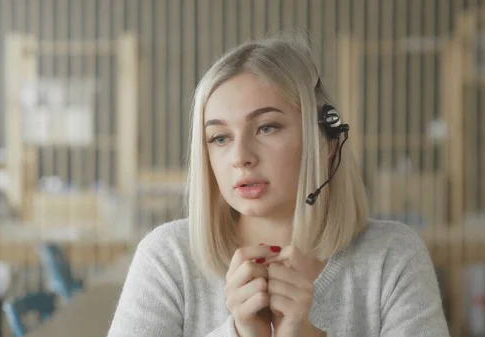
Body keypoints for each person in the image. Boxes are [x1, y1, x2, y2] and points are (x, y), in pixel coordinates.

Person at [107, 32, 450, 337]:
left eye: (267, 127)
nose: (241, 156)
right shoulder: (167, 259)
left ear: (326, 144)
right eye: (221, 137)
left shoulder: (393, 257)